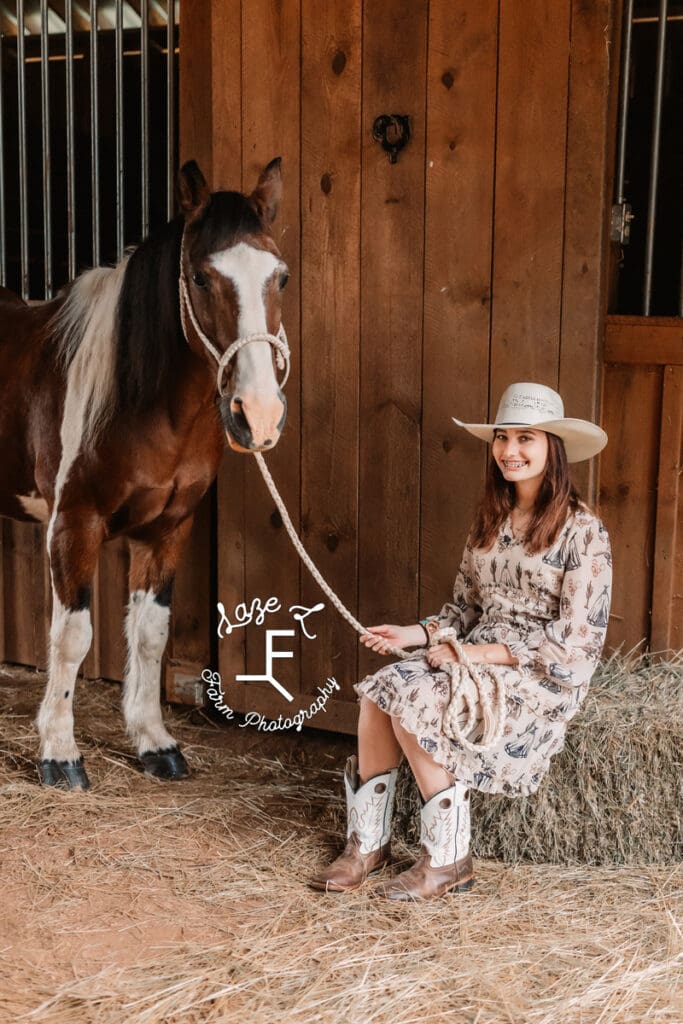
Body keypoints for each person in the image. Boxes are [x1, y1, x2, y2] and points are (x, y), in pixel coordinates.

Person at [310, 382, 612, 901]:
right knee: (378, 691)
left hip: (537, 673)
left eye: (526, 439)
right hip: (473, 655)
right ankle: (368, 844)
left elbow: (577, 643)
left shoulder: (584, 533)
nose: (510, 451)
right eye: (502, 438)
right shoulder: (489, 521)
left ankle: (449, 860)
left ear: (552, 449)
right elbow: (464, 610)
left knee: (411, 698)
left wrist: (474, 654)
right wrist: (416, 632)